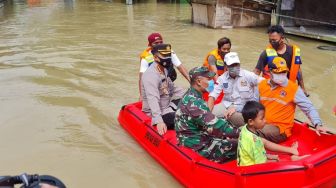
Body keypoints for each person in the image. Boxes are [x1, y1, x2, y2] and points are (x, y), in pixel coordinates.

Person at [175, 66, 240, 163]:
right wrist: (242, 133)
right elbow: (217, 126)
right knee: (240, 144)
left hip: (195, 138)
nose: (212, 82)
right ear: (198, 81)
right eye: (209, 79)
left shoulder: (191, 95)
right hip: (197, 146)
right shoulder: (194, 102)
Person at [256, 57, 327, 143]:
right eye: (278, 72)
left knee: (254, 131)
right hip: (262, 123)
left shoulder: (293, 88)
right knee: (237, 118)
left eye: (284, 72)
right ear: (270, 72)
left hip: (280, 129)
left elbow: (308, 107)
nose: (282, 75)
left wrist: (318, 124)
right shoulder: (262, 85)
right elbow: (254, 105)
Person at [237, 101, 305, 166]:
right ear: (251, 122)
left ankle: (291, 150)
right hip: (250, 170)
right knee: (277, 161)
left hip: (245, 162)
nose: (265, 121)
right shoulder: (254, 141)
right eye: (262, 118)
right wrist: (274, 159)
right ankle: (293, 160)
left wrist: (267, 156)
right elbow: (261, 165)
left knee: (262, 141)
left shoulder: (245, 129)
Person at [208, 52, 263, 127]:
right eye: (231, 65)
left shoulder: (248, 75)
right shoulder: (222, 79)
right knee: (209, 116)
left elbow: (265, 83)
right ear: (226, 66)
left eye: (236, 64)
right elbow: (213, 95)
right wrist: (207, 113)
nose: (235, 67)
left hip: (245, 107)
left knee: (233, 116)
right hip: (227, 104)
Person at [141, 44, 185, 135]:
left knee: (189, 104)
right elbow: (152, 98)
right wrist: (158, 120)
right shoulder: (150, 75)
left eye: (169, 55)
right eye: (164, 55)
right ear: (156, 57)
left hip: (167, 106)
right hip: (158, 112)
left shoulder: (163, 70)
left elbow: (172, 89)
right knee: (185, 119)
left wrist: (190, 94)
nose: (168, 58)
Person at [254, 25, 309, 97]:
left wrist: (302, 88)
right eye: (270, 40)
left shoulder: (293, 51)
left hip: (288, 88)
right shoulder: (266, 54)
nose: (272, 42)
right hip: (272, 90)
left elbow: (298, 70)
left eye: (274, 40)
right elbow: (257, 71)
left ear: (282, 38)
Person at [139, 33, 190, 100]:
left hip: (168, 81)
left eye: (161, 42)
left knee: (185, 95)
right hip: (154, 84)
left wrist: (192, 82)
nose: (159, 44)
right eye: (156, 43)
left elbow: (180, 67)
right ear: (149, 45)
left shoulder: (169, 52)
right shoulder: (145, 58)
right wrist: (141, 96)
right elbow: (141, 78)